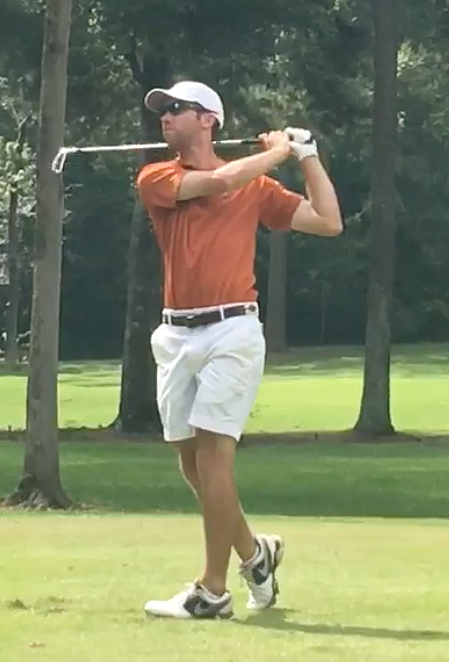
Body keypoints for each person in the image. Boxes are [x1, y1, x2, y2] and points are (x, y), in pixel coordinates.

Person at [136, 80, 343, 620]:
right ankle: (256, 554)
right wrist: (277, 151)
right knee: (192, 464)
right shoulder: (158, 176)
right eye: (163, 110)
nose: (165, 117)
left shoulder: (257, 187)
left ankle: (213, 590)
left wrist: (308, 157)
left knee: (213, 453)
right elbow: (219, 180)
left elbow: (328, 222)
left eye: (176, 109)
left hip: (233, 331)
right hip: (176, 334)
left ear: (208, 120)